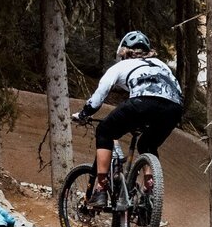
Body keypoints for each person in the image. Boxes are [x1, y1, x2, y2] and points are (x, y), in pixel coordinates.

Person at [73, 30, 183, 207]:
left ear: (123, 52)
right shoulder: (162, 66)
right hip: (174, 108)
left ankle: (101, 190)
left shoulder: (121, 66)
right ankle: (150, 191)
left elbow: (101, 93)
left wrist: (85, 113)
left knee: (105, 131)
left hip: (142, 103)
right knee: (147, 144)